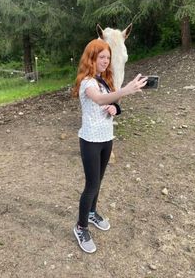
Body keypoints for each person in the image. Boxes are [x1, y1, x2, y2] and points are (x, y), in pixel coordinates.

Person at [72, 39, 147, 253]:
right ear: (91, 58)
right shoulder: (88, 82)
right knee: (91, 185)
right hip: (90, 141)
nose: (105, 61)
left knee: (99, 181)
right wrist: (126, 90)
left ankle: (92, 212)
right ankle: (81, 226)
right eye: (101, 57)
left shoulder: (104, 80)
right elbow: (98, 99)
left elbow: (110, 103)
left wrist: (115, 109)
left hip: (107, 138)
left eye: (108, 58)